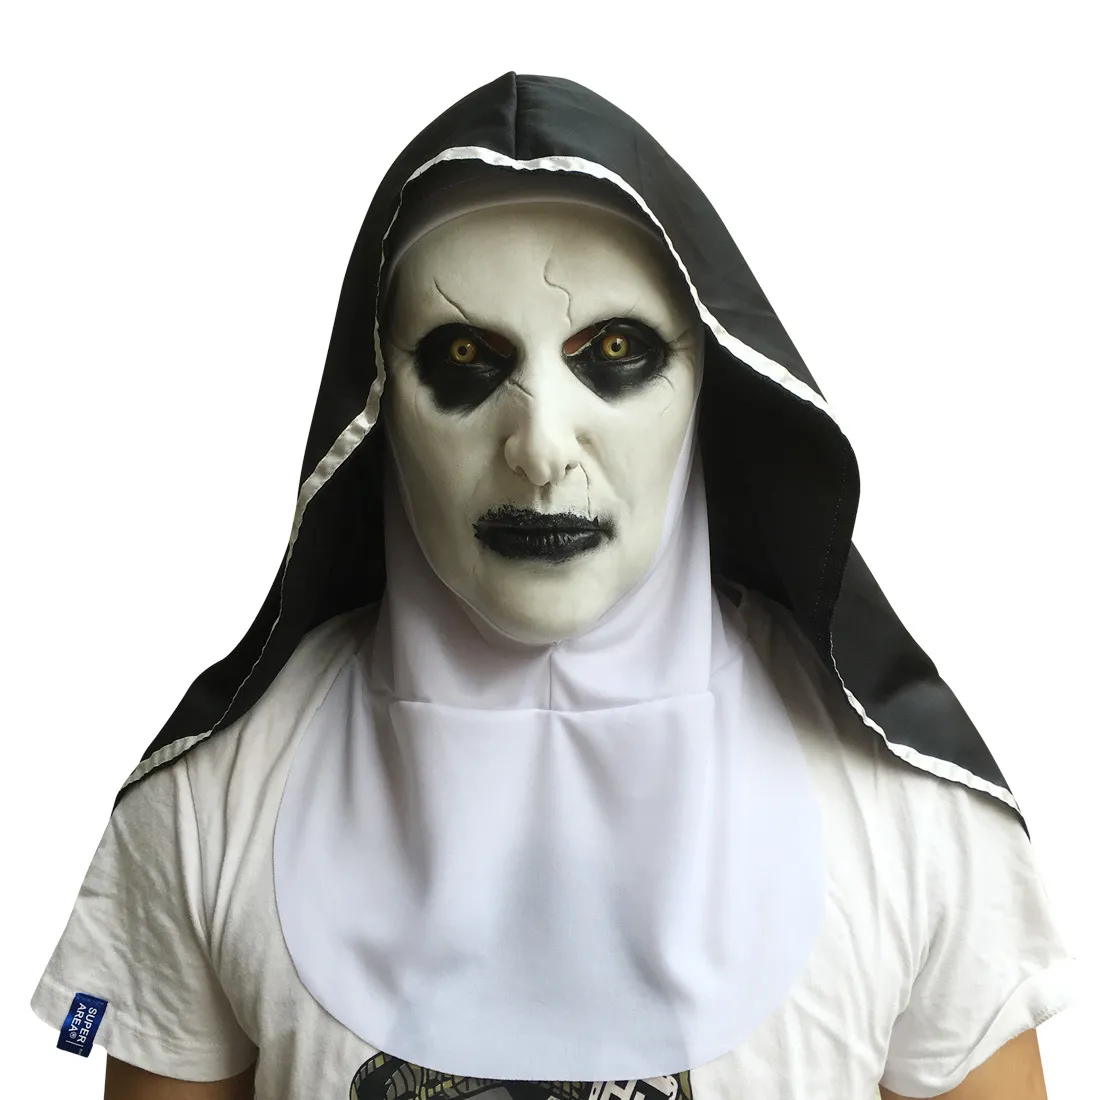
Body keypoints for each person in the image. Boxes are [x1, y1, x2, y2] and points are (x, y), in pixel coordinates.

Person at [32, 72, 1072, 1100]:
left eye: (612, 350)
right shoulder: (206, 803)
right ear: (377, 398)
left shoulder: (914, 815)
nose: (538, 447)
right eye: (465, 355)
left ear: (706, 380)